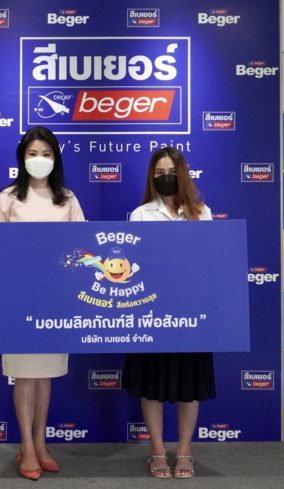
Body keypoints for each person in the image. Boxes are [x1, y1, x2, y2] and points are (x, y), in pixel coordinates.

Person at [0, 126, 85, 480]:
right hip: (18, 299)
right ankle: (26, 446)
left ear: (55, 158)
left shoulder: (67, 199)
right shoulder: (7, 198)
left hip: (55, 299)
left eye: (46, 153)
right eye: (32, 154)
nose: (39, 160)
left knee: (45, 376)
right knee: (25, 375)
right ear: (22, 158)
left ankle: (41, 443)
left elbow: (82, 249)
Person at [122, 147, 215, 479]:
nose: (166, 178)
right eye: (159, 173)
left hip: (191, 311)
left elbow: (209, 261)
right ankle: (158, 450)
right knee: (152, 383)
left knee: (190, 383)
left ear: (183, 174)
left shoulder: (202, 213)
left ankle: (185, 450)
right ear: (152, 177)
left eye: (172, 172)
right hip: (152, 311)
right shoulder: (140, 215)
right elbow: (135, 265)